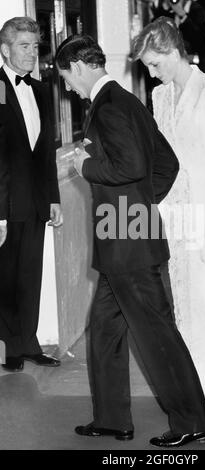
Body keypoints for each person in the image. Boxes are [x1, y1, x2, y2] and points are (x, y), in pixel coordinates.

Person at [55, 34, 205, 448]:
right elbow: (167, 164)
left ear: (79, 66)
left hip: (125, 238)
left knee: (156, 335)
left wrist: (87, 165)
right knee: (105, 332)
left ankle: (191, 422)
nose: (68, 88)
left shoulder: (109, 106)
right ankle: (112, 420)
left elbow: (132, 165)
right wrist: (141, 205)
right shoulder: (127, 102)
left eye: (66, 78)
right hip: (125, 234)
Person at [132, 16, 205, 405]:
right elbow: (160, 157)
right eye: (147, 66)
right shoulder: (160, 97)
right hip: (176, 214)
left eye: (154, 64)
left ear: (172, 51)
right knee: (184, 297)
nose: (151, 73)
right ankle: (193, 379)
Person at [0, 17, 62, 372]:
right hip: (8, 202)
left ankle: (30, 342)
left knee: (31, 275)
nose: (31, 53)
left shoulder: (40, 89)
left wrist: (53, 197)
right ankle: (12, 345)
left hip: (37, 201)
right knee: (7, 277)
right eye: (24, 46)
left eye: (35, 47)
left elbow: (46, 153)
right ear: (6, 49)